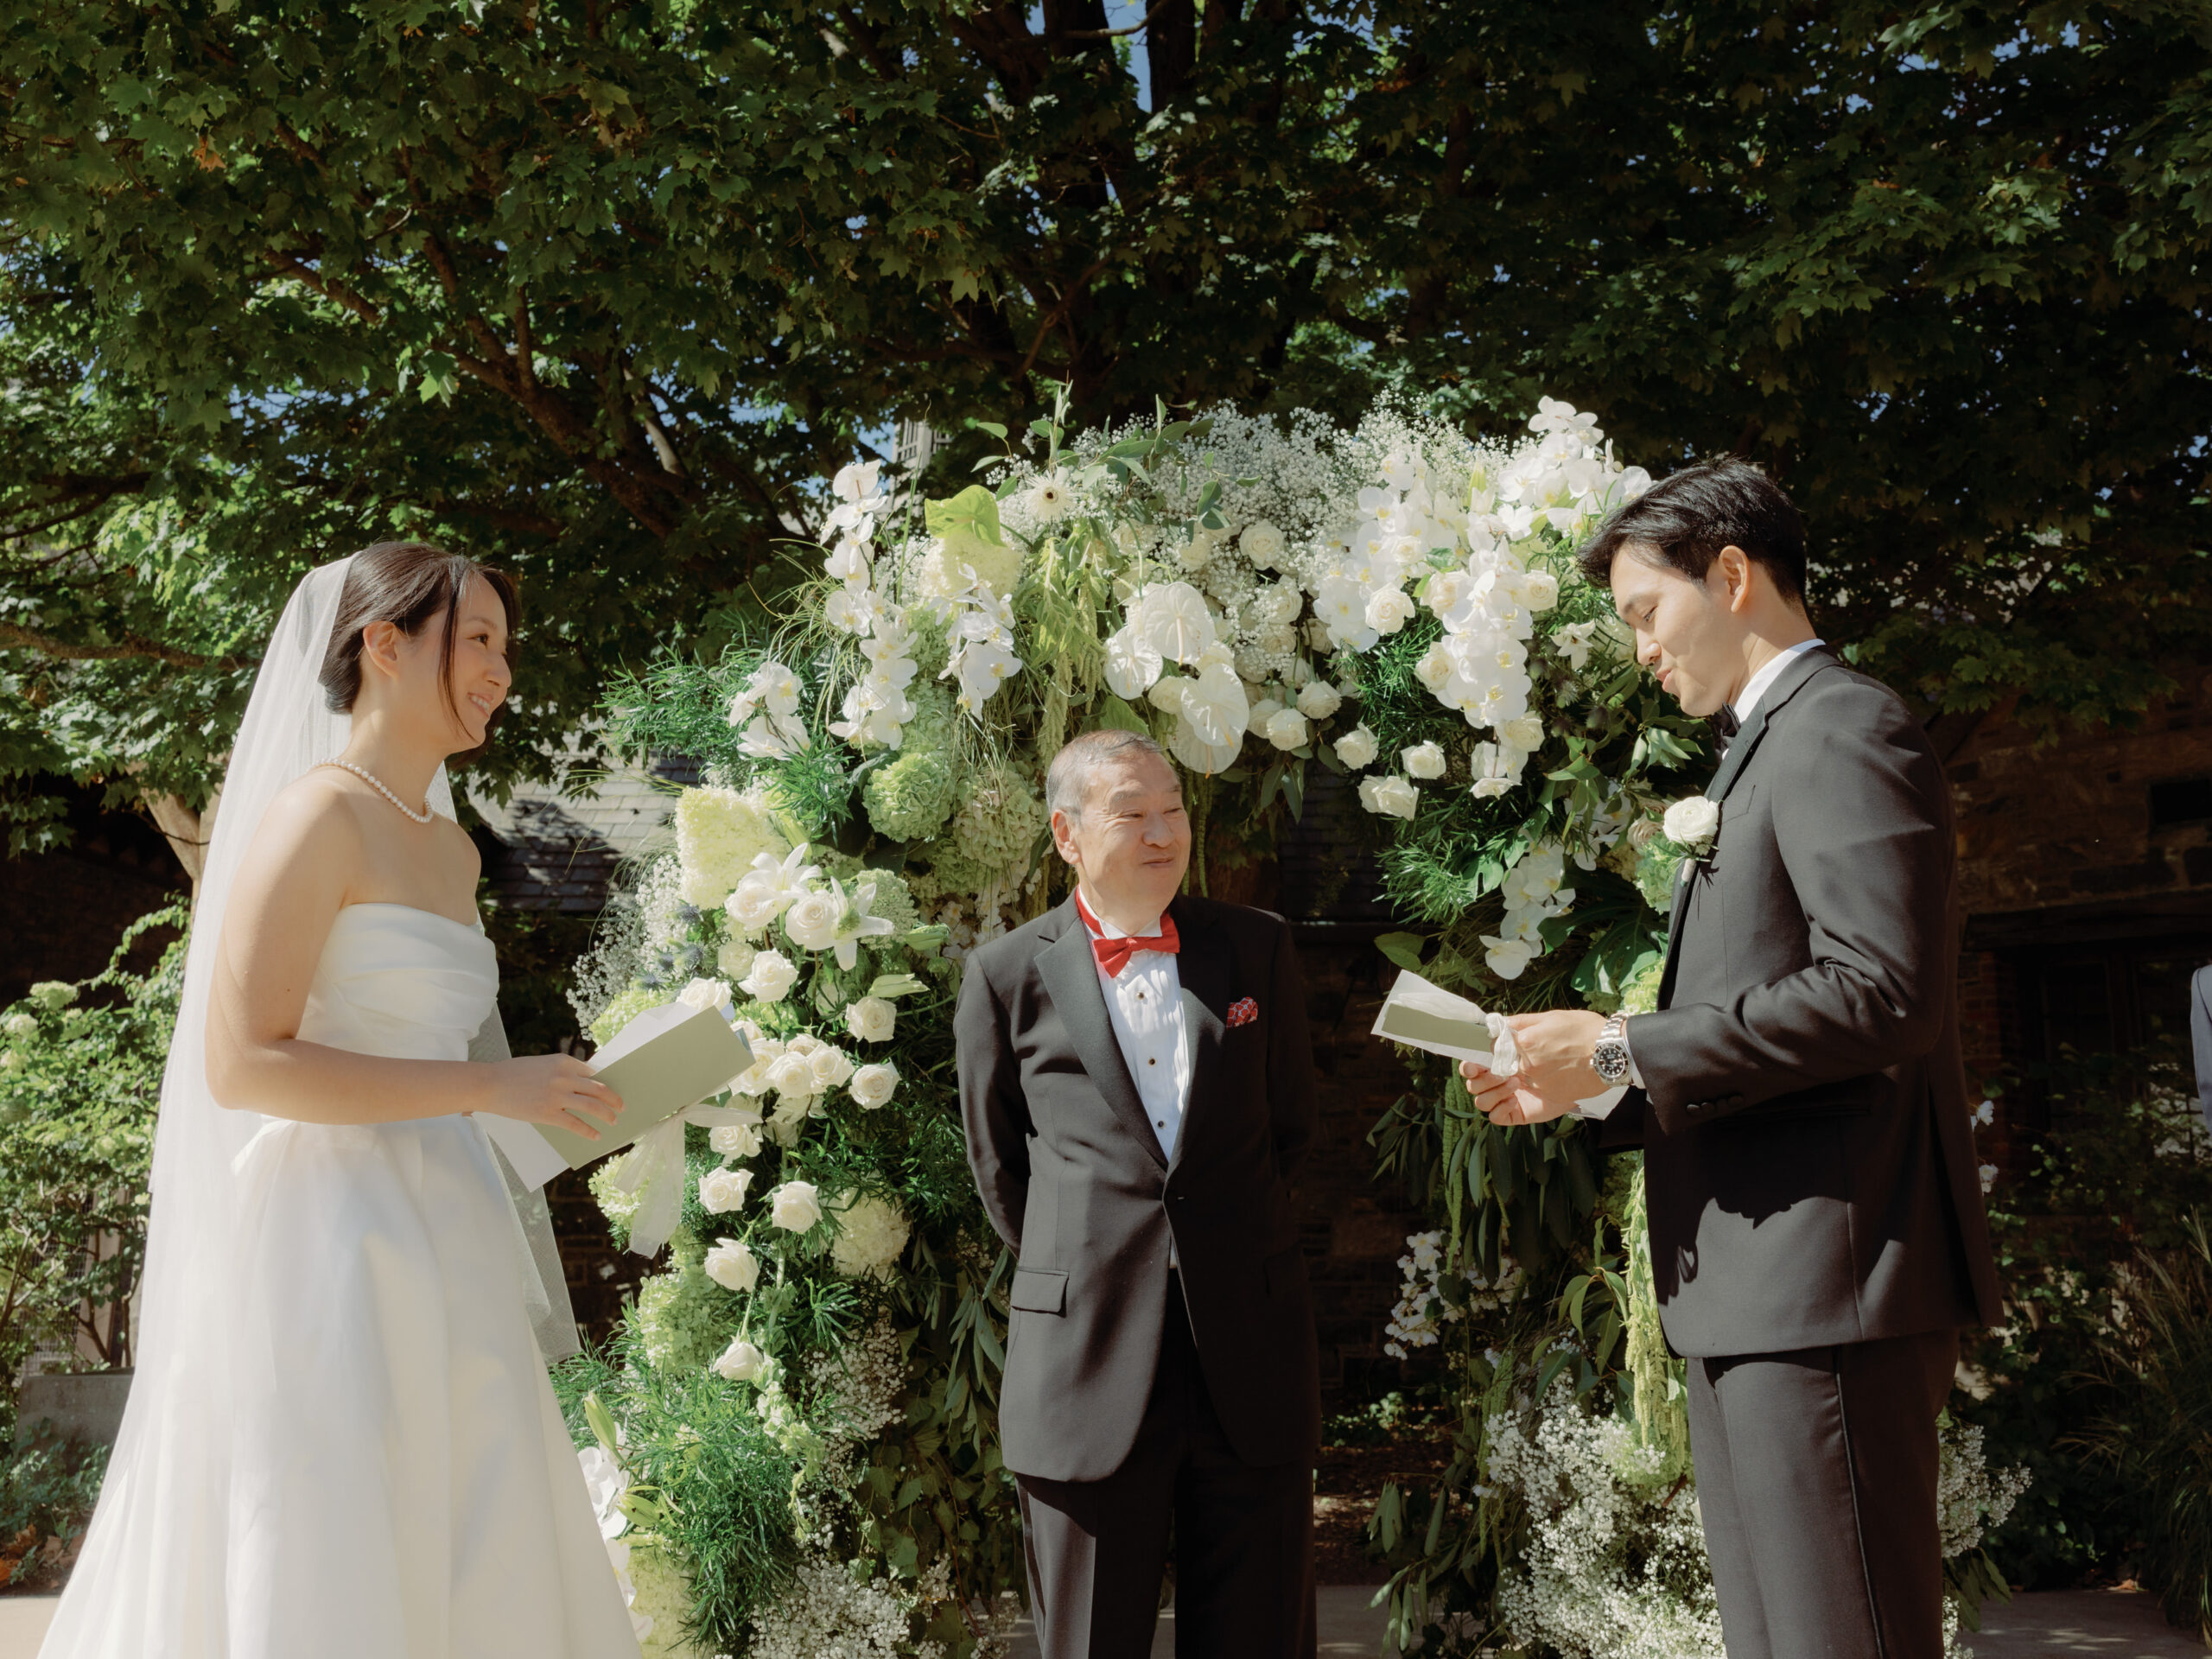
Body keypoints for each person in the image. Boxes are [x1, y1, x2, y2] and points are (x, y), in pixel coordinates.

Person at [41, 545, 640, 1659]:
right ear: (383, 644)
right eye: (477, 640)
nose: (501, 670)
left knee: (470, 1522)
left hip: (448, 1224)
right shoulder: (312, 816)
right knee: (338, 1523)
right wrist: (480, 1085)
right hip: (331, 1231)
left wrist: (553, 1097)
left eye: (505, 648)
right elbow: (245, 1065)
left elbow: (441, 1063)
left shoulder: (454, 851)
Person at [1457, 460, 2002, 1659]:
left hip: (1828, 1285)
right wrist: (1592, 1073)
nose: (1642, 651)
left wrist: (1618, 1042)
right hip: (1764, 1288)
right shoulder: (1765, 751)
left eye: (1647, 614)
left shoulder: (1843, 727)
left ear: (1736, 575)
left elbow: (1882, 994)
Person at [955, 729, 1321, 1659]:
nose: (1162, 832)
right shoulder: (1003, 976)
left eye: (1173, 810)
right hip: (1085, 1363)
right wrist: (1089, 1259)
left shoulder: (1256, 948)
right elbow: (1001, 1170)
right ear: (1067, 833)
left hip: (1246, 1354)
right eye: (1132, 814)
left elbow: (1288, 1131)